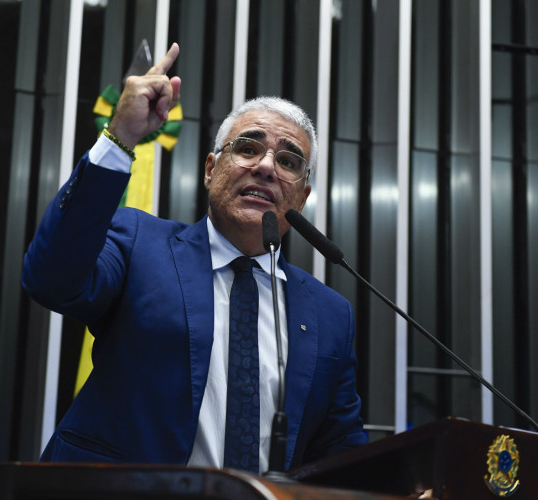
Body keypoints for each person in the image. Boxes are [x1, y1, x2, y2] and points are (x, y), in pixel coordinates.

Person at [22, 43, 366, 474]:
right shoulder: (139, 243)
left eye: (288, 160)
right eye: (247, 147)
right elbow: (50, 278)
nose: (265, 167)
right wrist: (121, 138)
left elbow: (341, 451)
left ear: (302, 195)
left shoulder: (330, 313)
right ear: (210, 169)